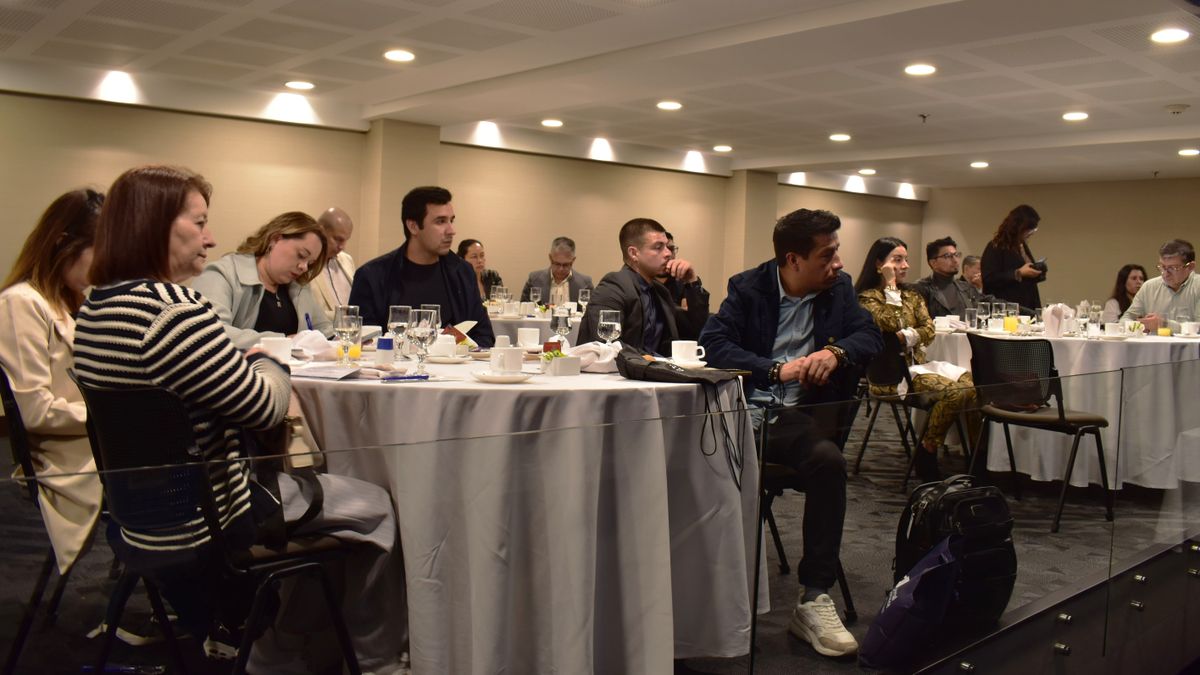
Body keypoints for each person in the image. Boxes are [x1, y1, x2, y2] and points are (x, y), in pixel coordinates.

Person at [74, 165, 402, 673]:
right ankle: (358, 660)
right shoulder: (172, 312)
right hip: (211, 519)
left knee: (327, 507)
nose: (211, 238)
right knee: (377, 508)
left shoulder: (96, 309)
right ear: (153, 224)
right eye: (199, 222)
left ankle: (281, 645)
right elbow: (264, 405)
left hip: (139, 520)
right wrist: (274, 357)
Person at [700, 208, 881, 659]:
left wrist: (837, 352)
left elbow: (870, 337)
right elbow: (715, 343)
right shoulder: (749, 287)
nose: (838, 264)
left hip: (791, 418)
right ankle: (691, 590)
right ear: (793, 260)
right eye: (828, 254)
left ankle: (814, 597)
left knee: (828, 462)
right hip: (736, 412)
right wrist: (776, 369)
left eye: (837, 252)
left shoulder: (838, 290)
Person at [0, 188, 104, 576]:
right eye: (100, 253)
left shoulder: (70, 301)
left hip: (88, 441)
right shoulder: (21, 303)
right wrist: (110, 416)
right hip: (66, 455)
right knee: (186, 478)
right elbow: (34, 411)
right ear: (63, 244)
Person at [856, 237, 979, 483]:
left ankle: (974, 457)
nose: (905, 266)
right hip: (888, 374)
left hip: (916, 366)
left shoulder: (911, 295)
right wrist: (890, 287)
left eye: (906, 260)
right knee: (954, 392)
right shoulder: (867, 298)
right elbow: (891, 323)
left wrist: (908, 335)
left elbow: (928, 329)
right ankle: (928, 450)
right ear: (879, 264)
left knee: (974, 387)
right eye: (897, 260)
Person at [349, 185, 495, 347]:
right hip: (394, 368)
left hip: (455, 369)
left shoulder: (462, 272)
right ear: (413, 226)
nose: (451, 230)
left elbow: (484, 337)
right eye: (440, 222)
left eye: (451, 221)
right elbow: (362, 342)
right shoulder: (373, 276)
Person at [190, 211, 332, 350]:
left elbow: (325, 331)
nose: (304, 267)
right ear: (275, 239)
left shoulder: (299, 287)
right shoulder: (222, 274)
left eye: (310, 263)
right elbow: (210, 332)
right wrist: (285, 341)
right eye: (301, 255)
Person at [577, 218, 708, 354]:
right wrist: (657, 363)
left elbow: (695, 331)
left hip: (654, 371)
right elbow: (607, 346)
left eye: (668, 247)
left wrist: (692, 283)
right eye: (658, 247)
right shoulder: (614, 286)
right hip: (619, 374)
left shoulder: (659, 292)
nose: (668, 253)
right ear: (634, 253)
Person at [913, 237, 1024, 317]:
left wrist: (1029, 312)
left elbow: (991, 302)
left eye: (956, 255)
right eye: (948, 256)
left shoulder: (965, 288)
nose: (955, 260)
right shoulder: (921, 288)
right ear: (933, 263)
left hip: (967, 343)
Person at [1121, 239, 1200, 329]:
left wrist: (1164, 324)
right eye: (1162, 267)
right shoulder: (1148, 287)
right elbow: (1125, 319)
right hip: (1154, 343)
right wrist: (1139, 326)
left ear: (1190, 267)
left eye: (1173, 268)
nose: (1165, 273)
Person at [981, 204, 1045, 310]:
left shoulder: (1021, 245)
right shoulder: (995, 246)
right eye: (1029, 229)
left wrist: (1037, 270)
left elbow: (1026, 274)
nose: (1031, 233)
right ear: (1019, 227)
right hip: (1008, 306)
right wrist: (1018, 273)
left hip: (1028, 304)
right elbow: (989, 279)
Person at [520, 236, 594, 305]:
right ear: (550, 258)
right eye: (557, 264)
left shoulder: (585, 284)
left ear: (573, 260)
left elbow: (591, 314)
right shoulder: (534, 280)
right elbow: (523, 309)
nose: (560, 269)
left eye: (566, 265)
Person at [311, 206, 356, 317]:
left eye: (346, 240)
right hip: (322, 332)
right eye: (338, 239)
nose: (342, 247)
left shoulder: (347, 260)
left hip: (353, 331)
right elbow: (308, 314)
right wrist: (346, 316)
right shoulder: (304, 265)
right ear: (320, 231)